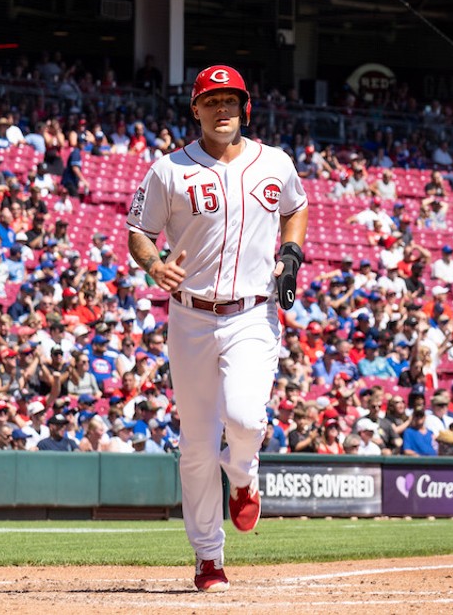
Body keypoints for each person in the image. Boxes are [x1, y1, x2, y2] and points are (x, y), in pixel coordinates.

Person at [127, 65, 308, 593]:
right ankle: (209, 558)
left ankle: (246, 477)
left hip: (253, 311)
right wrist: (153, 262)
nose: (223, 110)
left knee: (246, 417)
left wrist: (292, 252)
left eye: (231, 101)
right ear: (196, 110)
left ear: (244, 107)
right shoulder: (169, 169)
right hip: (190, 315)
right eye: (212, 102)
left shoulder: (274, 162)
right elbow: (139, 230)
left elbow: (295, 208)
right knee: (198, 445)